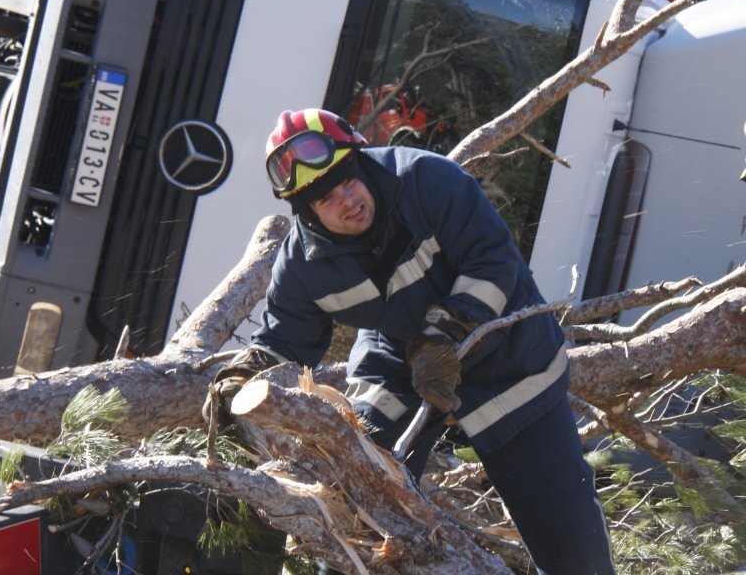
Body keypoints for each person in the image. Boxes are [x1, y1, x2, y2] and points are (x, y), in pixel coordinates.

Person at [212, 108, 615, 574]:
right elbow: (284, 340)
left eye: (347, 181)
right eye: (326, 199)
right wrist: (239, 380)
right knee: (357, 494)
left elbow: (493, 263)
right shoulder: (303, 265)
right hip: (397, 360)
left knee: (569, 541)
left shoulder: (428, 181)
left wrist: (442, 336)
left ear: (361, 162)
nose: (347, 201)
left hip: (510, 360)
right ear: (305, 212)